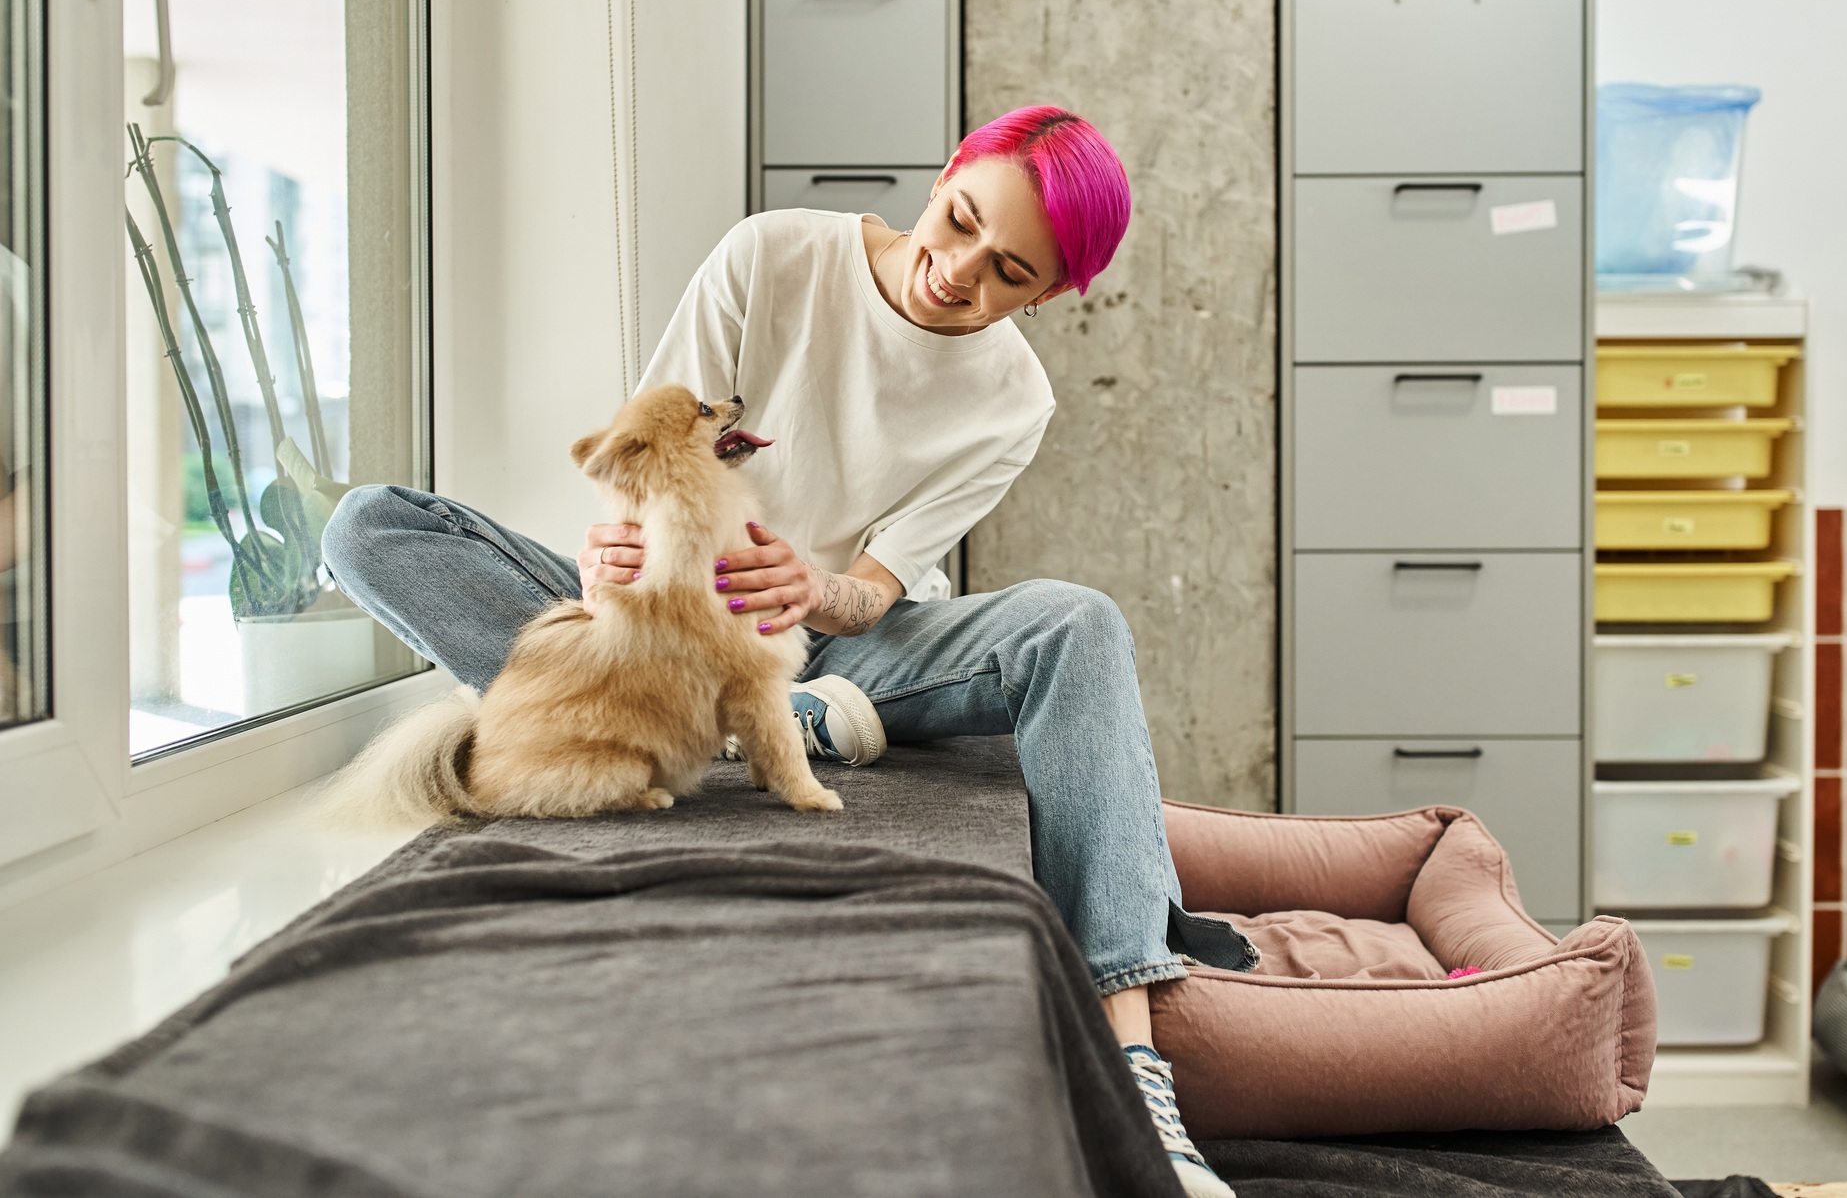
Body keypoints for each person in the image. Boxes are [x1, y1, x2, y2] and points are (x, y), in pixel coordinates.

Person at [322, 105, 1254, 1197]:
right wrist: (612, 561)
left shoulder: (1014, 399)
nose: (956, 273)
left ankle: (1132, 1055)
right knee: (372, 525)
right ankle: (711, 728)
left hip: (847, 659)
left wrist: (816, 588)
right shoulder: (771, 254)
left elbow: (878, 589)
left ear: (1045, 295)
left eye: (1007, 273)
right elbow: (647, 450)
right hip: (673, 634)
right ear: (949, 167)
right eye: (956, 221)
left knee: (1078, 620)